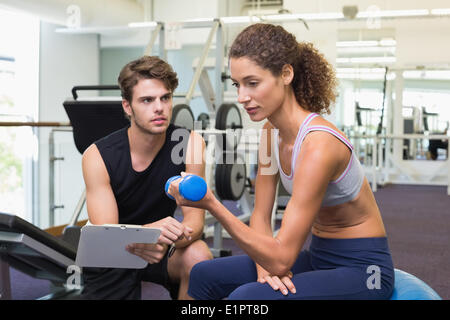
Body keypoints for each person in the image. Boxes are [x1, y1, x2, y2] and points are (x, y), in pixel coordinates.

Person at [167, 24, 395, 300]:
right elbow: (261, 215)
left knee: (248, 298)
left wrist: (212, 204)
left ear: (286, 74)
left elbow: (283, 258)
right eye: (237, 85)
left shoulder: (319, 147)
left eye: (253, 83)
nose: (242, 97)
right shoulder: (269, 133)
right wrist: (266, 266)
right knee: (204, 274)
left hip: (364, 270)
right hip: (319, 258)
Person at [80, 56, 212, 300]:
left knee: (199, 255)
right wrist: (146, 235)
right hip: (114, 255)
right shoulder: (97, 156)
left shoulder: (190, 144)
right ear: (127, 107)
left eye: (165, 97)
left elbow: (195, 223)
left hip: (162, 250)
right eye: (147, 100)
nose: (159, 107)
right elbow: (107, 238)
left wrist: (161, 243)